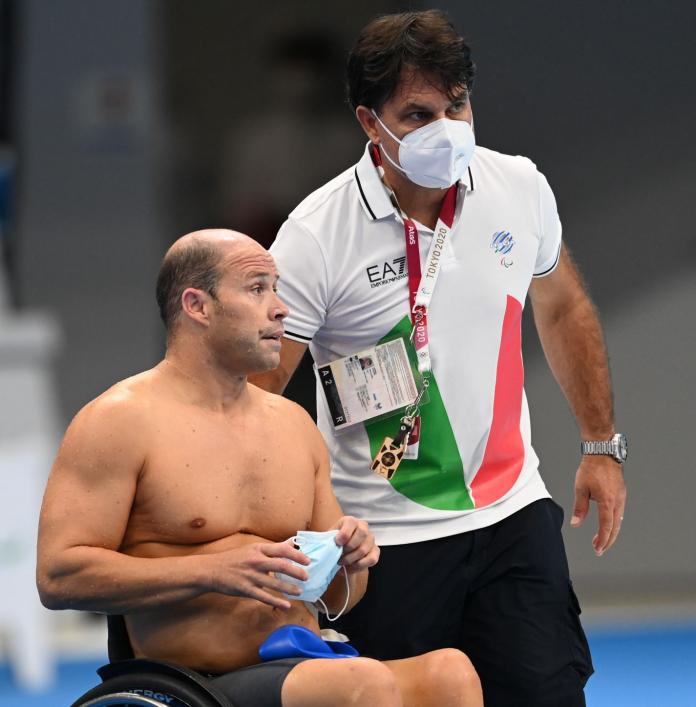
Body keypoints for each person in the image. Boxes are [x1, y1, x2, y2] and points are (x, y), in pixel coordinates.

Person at [249, 10, 627, 707]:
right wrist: (287, 535)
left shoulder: (519, 187)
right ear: (370, 122)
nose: (447, 128)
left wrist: (601, 443)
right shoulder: (314, 235)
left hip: (513, 516)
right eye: (419, 114)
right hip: (383, 540)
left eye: (457, 105)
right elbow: (255, 395)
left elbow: (564, 307)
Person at [36, 229, 483, 707]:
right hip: (193, 681)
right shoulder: (119, 420)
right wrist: (210, 571)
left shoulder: (292, 424)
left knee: (449, 673)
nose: (281, 309)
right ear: (197, 306)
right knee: (362, 685)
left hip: (305, 659)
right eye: (256, 289)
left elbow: (338, 601)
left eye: (277, 288)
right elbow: (59, 576)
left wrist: (349, 560)